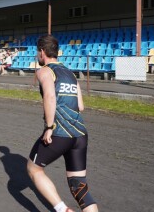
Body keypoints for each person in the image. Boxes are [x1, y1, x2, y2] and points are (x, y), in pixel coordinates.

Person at [27, 35, 98, 212]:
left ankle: (62, 209)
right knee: (79, 185)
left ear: (42, 52)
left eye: (38, 52)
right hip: (80, 134)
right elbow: (81, 106)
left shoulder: (44, 71)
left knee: (33, 169)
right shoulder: (71, 74)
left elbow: (50, 97)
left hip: (59, 133)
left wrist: (49, 127)